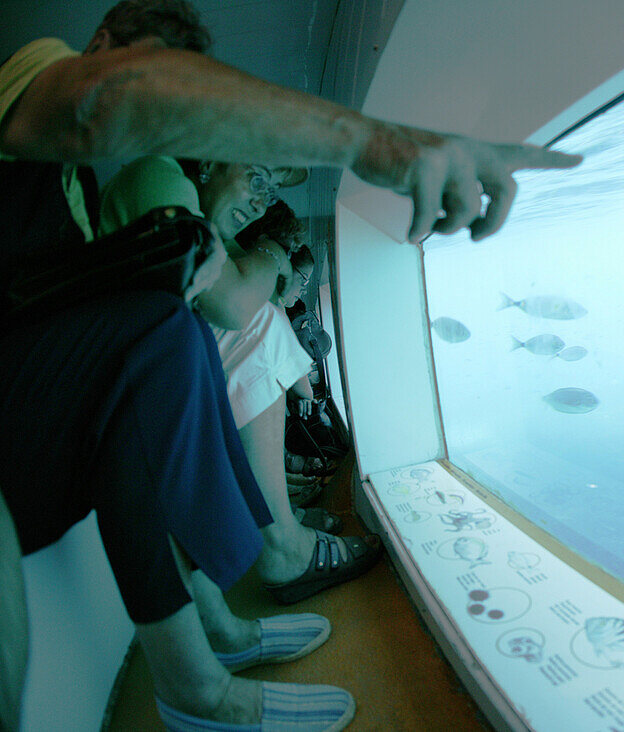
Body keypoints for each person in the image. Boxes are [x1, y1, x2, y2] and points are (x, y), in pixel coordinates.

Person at [0, 0, 580, 729]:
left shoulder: (74, 190)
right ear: (99, 46)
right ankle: (271, 559)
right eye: (153, 77)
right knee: (163, 329)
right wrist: (378, 144)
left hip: (41, 441)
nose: (170, 121)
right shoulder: (42, 83)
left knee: (156, 339)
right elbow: (101, 104)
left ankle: (201, 665)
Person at [100, 158, 379, 604]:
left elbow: (250, 288)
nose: (259, 202)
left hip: (143, 372)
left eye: (268, 194)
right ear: (210, 162)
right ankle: (282, 544)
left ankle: (272, 515)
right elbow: (236, 304)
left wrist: (265, 264)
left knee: (259, 324)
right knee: (262, 328)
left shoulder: (204, 226)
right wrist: (271, 250)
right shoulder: (160, 177)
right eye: (257, 180)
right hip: (118, 382)